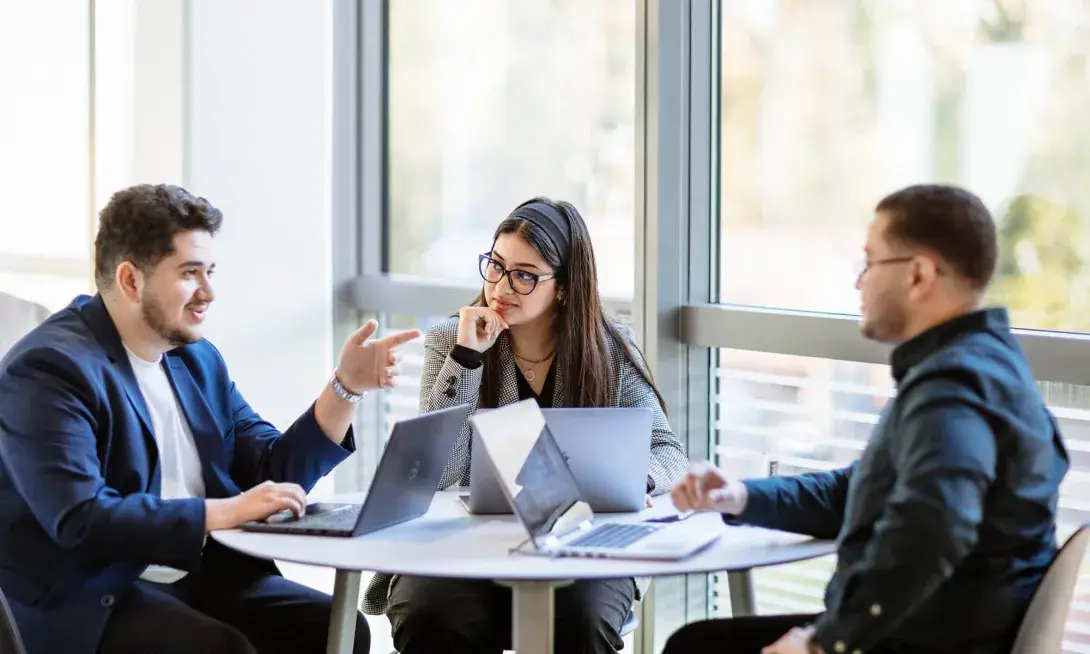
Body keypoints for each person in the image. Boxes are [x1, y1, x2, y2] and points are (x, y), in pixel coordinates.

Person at [0, 184, 421, 654]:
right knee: (221, 647)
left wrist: (346, 386)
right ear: (131, 280)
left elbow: (270, 475)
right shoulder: (49, 369)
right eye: (189, 273)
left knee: (336, 630)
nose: (209, 292)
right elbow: (81, 519)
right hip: (94, 593)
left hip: (201, 574)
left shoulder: (195, 359)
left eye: (210, 271)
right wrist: (226, 511)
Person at [667, 184, 1069, 654]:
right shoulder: (986, 364)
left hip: (927, 640)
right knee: (699, 642)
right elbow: (862, 491)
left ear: (918, 275)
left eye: (870, 262)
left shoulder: (950, 388)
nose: (859, 283)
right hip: (938, 628)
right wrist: (740, 496)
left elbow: (932, 529)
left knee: (698, 647)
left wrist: (825, 642)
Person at [362, 197, 688, 653]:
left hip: (579, 542)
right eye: (496, 266)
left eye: (525, 275)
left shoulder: (611, 348)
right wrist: (468, 357)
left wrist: (637, 478)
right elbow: (440, 472)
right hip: (468, 541)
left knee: (581, 620)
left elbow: (668, 452)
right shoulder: (452, 340)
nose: (501, 286)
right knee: (429, 615)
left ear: (564, 288)